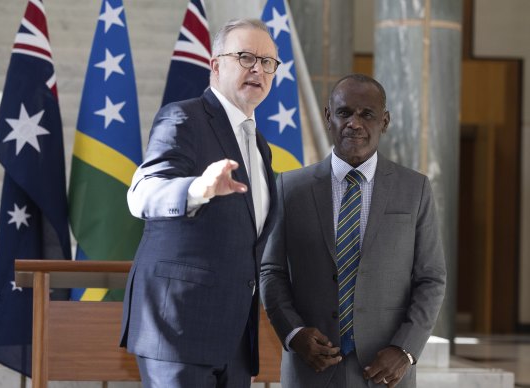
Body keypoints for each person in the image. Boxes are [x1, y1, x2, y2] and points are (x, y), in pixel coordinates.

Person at [120, 19, 279, 388]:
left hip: (236, 340)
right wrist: (197, 189)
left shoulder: (260, 145)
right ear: (216, 65)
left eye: (268, 62)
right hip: (178, 330)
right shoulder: (183, 118)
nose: (258, 68)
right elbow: (143, 192)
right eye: (245, 57)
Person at [260, 74, 446, 388]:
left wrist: (405, 348)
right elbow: (271, 270)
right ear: (328, 117)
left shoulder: (415, 189)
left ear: (384, 121)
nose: (355, 123)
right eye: (345, 113)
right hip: (310, 368)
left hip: (386, 371)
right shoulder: (289, 188)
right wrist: (294, 333)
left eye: (367, 114)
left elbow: (431, 278)